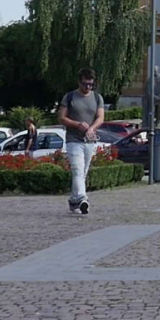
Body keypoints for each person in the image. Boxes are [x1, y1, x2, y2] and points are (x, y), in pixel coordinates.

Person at [58, 67, 106, 215]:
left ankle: (74, 201)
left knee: (82, 173)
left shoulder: (97, 98)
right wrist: (77, 124)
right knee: (77, 170)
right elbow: (61, 118)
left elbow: (100, 118)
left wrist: (92, 128)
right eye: (85, 84)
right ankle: (82, 199)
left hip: (89, 141)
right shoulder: (70, 97)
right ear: (79, 82)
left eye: (91, 84)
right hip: (74, 140)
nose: (88, 87)